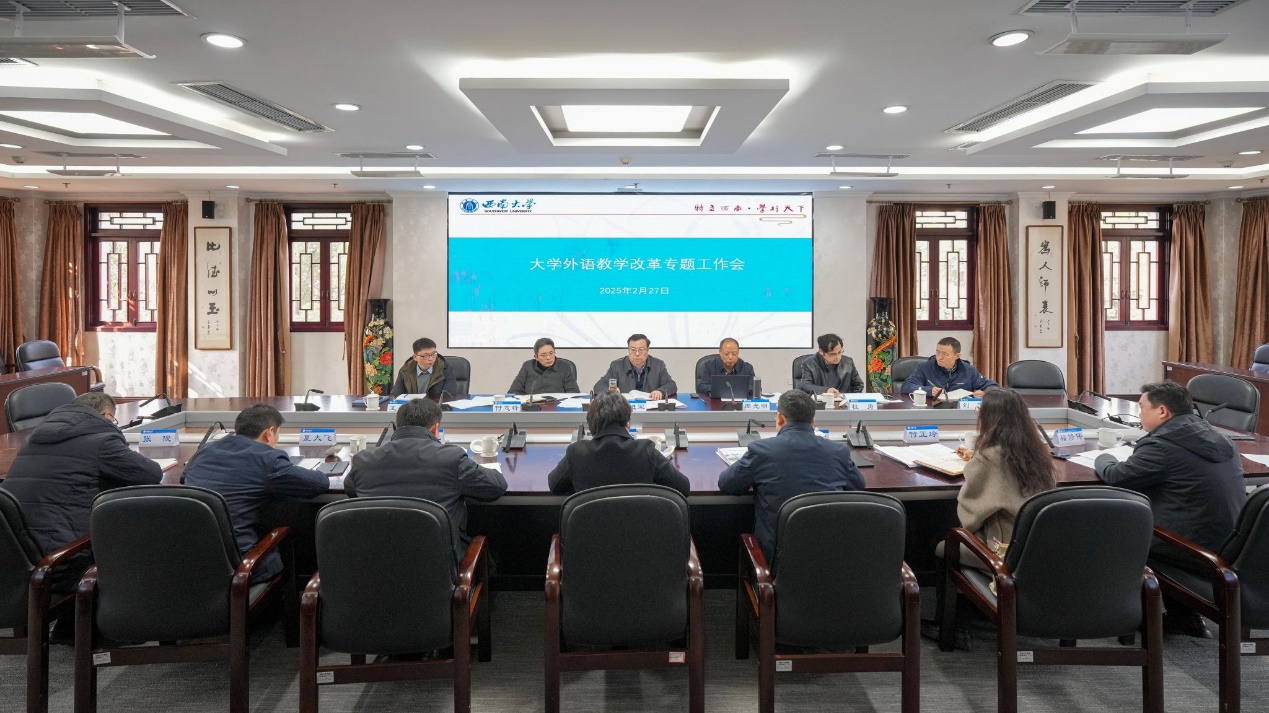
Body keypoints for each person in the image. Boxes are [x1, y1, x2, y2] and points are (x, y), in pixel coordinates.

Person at [0, 392, 162, 591]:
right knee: (142, 540)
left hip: (16, 559)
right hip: (59, 565)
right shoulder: (103, 441)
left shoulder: (32, 439)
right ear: (107, 417)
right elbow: (151, 473)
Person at [1096, 381, 1245, 566]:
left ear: (1162, 411)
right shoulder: (1223, 438)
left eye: (1141, 407)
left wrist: (1103, 456)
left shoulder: (1161, 445)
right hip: (1230, 549)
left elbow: (1115, 476)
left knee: (1101, 523)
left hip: (1188, 551)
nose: (1139, 414)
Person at [346, 398, 507, 564]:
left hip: (374, 566)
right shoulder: (451, 458)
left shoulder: (363, 460)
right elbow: (496, 487)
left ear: (396, 427)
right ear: (435, 429)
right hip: (437, 569)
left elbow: (351, 490)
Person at [182, 403, 330, 582]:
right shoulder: (268, 459)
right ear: (270, 432)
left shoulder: (205, 450)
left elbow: (184, 479)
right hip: (240, 566)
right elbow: (319, 484)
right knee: (286, 536)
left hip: (191, 560)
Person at [717, 389, 865, 563]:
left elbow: (727, 484)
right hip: (829, 559)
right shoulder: (838, 451)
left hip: (777, 561)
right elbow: (858, 486)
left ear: (780, 418)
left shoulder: (762, 450)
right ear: (813, 421)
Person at [943, 388, 1057, 570]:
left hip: (1002, 552)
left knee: (939, 543)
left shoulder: (988, 457)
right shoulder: (1038, 452)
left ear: (989, 418)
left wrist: (978, 460)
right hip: (1038, 549)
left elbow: (970, 519)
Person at [548, 391, 690, 497]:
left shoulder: (577, 452)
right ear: (627, 422)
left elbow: (555, 486)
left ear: (591, 424)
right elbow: (683, 487)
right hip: (640, 528)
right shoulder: (645, 450)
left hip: (590, 528)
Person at [900, 337, 997, 398]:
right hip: (932, 410)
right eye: (937, 352)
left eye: (944, 354)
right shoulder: (925, 368)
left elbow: (993, 386)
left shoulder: (968, 370)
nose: (939, 357)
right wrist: (929, 390)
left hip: (959, 412)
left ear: (957, 356)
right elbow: (906, 386)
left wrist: (985, 393)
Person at [592, 333, 677, 399]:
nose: (637, 354)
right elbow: (599, 386)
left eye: (641, 350)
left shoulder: (658, 365)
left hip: (650, 408)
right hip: (624, 409)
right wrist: (610, 390)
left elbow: (671, 385)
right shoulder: (617, 366)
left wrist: (660, 391)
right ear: (628, 350)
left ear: (647, 350)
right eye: (633, 350)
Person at [390, 337, 461, 398]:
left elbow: (449, 396)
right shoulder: (405, 370)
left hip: (436, 407)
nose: (431, 358)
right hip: (413, 408)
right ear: (415, 357)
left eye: (433, 354)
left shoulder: (445, 369)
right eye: (426, 356)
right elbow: (396, 395)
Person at [508, 337, 579, 395]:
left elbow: (574, 392)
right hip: (532, 406)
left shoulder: (565, 367)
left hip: (557, 406)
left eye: (551, 353)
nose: (548, 357)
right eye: (543, 355)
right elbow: (513, 391)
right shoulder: (527, 367)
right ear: (536, 357)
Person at [798, 333, 864, 395]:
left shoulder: (848, 362)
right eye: (833, 354)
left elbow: (858, 385)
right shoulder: (809, 364)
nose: (838, 357)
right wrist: (826, 390)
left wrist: (847, 398)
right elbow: (805, 385)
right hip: (821, 401)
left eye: (839, 352)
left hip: (843, 401)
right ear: (821, 351)